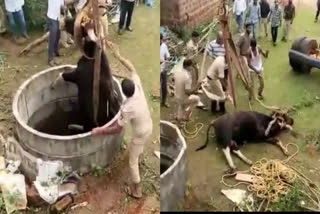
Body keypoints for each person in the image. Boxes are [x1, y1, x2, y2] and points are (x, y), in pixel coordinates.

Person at [91, 57, 153, 199]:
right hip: (149, 125)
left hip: (140, 133)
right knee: (138, 147)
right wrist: (118, 56)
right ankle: (139, 155)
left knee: (132, 162)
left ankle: (136, 190)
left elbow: (117, 129)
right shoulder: (137, 87)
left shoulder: (128, 108)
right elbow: (132, 68)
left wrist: (100, 130)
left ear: (124, 93)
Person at [47, 0, 65, 66]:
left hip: (58, 17)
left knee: (58, 36)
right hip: (52, 17)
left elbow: (61, 4)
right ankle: (50, 59)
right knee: (52, 38)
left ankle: (56, 52)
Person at [160, 33, 170, 108]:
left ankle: (164, 101)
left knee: (164, 86)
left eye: (161, 40)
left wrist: (165, 62)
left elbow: (168, 56)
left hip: (163, 68)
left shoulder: (164, 46)